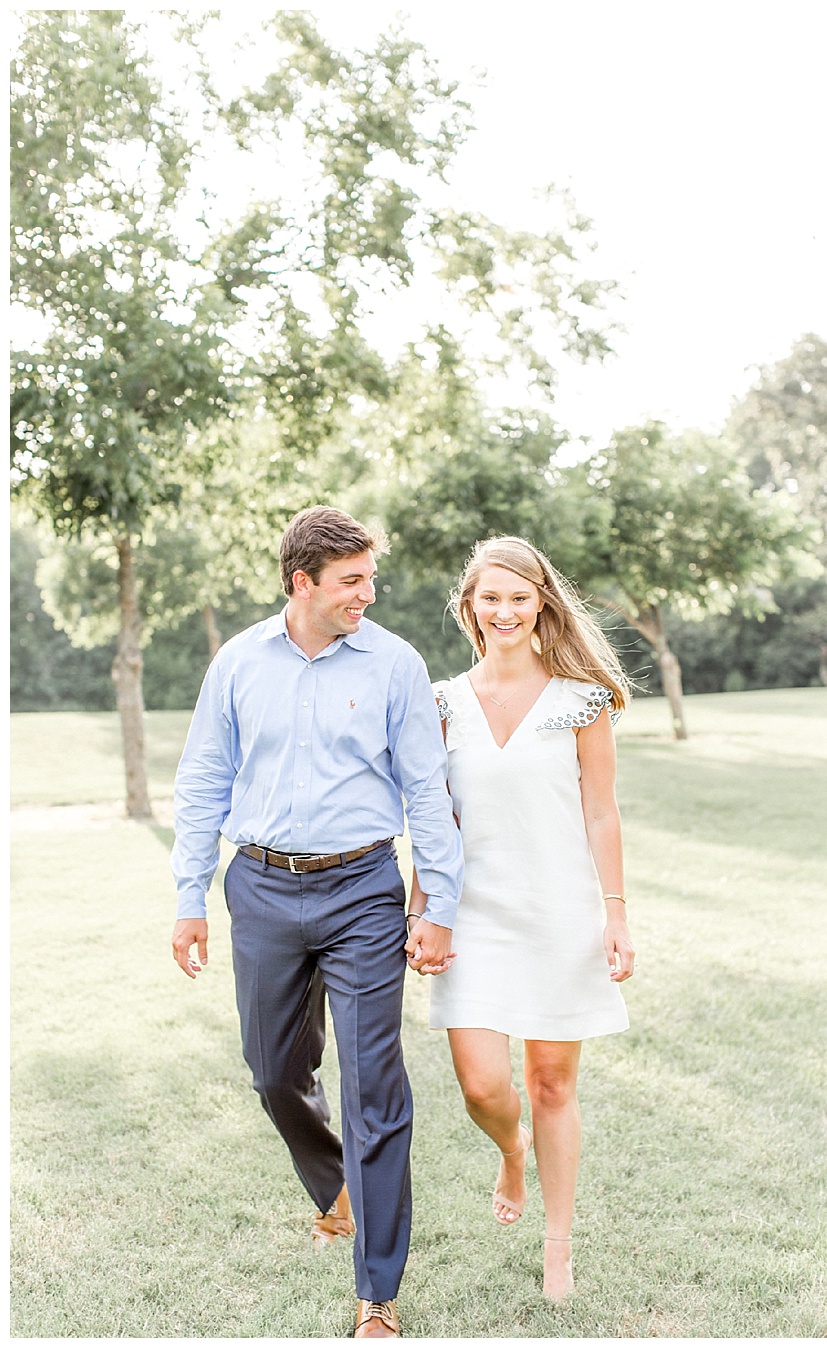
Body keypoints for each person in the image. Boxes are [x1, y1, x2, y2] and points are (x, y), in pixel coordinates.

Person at [171, 506, 462, 1340]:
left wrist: (437, 905)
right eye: (351, 581)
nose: (367, 594)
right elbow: (203, 778)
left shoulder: (395, 664)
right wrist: (189, 897)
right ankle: (337, 1185)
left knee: (375, 1085)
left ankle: (378, 1295)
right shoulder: (238, 662)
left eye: (369, 578)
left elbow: (427, 789)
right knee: (272, 1071)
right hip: (260, 887)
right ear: (303, 583)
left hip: (364, 889)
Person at [419, 535, 636, 1302]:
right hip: (471, 917)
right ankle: (512, 1152)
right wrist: (422, 909)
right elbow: (435, 818)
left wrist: (615, 914)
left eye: (519, 597)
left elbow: (602, 812)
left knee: (550, 1082)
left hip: (559, 914)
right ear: (470, 606)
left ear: (541, 603)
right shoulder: (442, 703)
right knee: (483, 1086)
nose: (505, 611)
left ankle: (558, 1246)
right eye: (491, 598)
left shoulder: (581, 699)